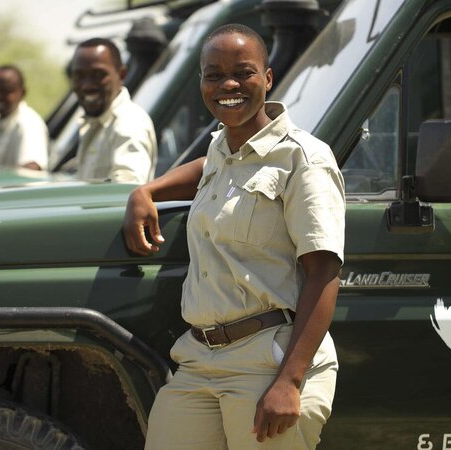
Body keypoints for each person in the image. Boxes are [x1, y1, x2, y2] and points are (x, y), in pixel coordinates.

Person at [123, 24, 345, 450]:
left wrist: (289, 381)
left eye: (243, 72)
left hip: (267, 358)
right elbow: (207, 165)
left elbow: (324, 274)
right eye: (213, 74)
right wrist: (146, 191)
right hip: (199, 359)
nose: (228, 84)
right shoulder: (223, 150)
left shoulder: (303, 159)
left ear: (268, 78)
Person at [70, 38, 156, 183]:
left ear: (121, 74)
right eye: (79, 76)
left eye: (98, 75)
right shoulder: (97, 122)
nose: (87, 86)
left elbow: (126, 192)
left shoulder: (129, 123)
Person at [0, 65, 49, 170]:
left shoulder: (28, 123)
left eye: (6, 91)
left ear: (22, 92)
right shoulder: (3, 122)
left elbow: (31, 168)